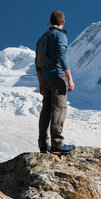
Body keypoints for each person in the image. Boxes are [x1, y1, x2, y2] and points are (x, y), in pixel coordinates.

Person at [35, 10, 76, 154]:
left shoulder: (41, 39)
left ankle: (43, 145)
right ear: (62, 23)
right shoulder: (61, 36)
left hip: (45, 79)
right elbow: (62, 57)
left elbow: (37, 64)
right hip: (57, 77)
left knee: (46, 110)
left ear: (50, 22)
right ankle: (57, 145)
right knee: (59, 109)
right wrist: (69, 78)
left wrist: (40, 82)